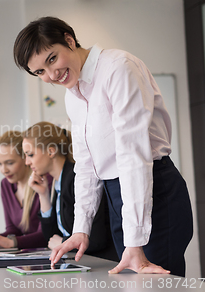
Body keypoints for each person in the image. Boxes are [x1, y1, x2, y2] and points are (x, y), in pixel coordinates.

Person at [13, 16, 193, 276]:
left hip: (153, 190)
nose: (51, 75)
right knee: (132, 283)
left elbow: (133, 155)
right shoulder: (73, 94)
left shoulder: (118, 67)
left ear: (69, 40)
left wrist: (135, 240)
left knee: (154, 285)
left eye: (52, 59)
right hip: (118, 196)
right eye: (40, 72)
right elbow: (86, 166)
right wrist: (80, 229)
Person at [22, 121, 117, 261]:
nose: (27, 162)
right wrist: (43, 195)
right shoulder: (57, 182)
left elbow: (97, 239)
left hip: (101, 262)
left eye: (30, 155)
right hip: (83, 261)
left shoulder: (77, 179)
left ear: (51, 151)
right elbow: (50, 238)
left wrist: (63, 243)